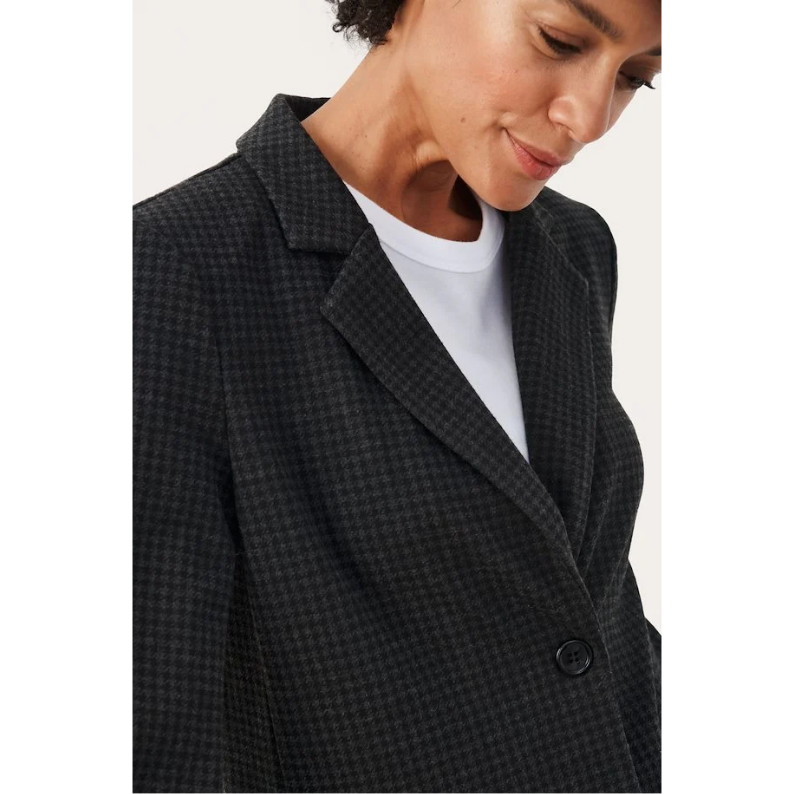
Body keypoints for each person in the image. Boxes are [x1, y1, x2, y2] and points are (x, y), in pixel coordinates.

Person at [133, 1, 662, 791]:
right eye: (559, 41)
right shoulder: (172, 271)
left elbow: (580, 609)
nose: (587, 118)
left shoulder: (575, 248)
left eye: (633, 78)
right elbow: (163, 720)